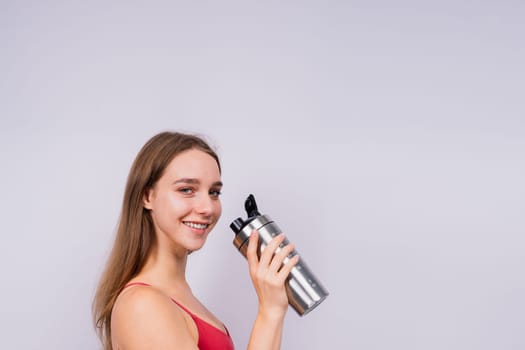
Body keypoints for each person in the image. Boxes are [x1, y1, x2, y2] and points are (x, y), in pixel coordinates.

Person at [92, 131, 299, 350]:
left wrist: (273, 309)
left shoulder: (177, 295)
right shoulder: (142, 305)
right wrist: (269, 311)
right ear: (147, 197)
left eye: (214, 192)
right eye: (186, 190)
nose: (207, 208)